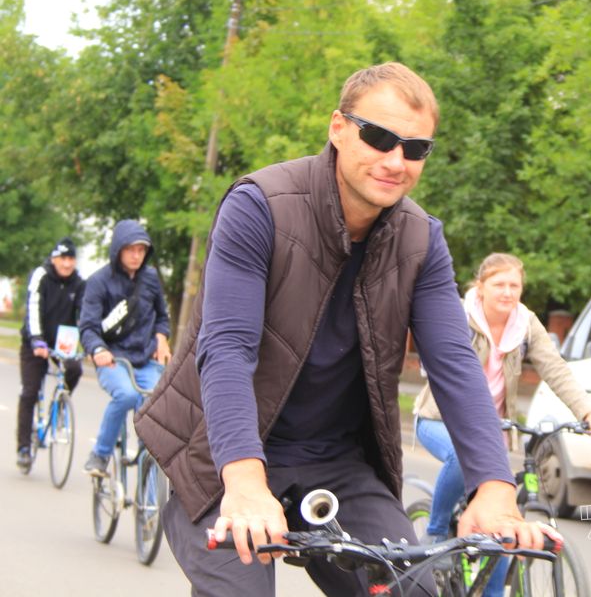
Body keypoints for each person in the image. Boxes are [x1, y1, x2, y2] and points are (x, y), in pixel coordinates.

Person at [134, 62, 557, 596]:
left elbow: (454, 363)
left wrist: (494, 488)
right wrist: (243, 483)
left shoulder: (421, 242)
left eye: (415, 149)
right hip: (224, 449)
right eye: (379, 137)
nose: (395, 161)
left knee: (413, 588)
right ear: (338, 128)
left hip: (333, 458)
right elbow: (226, 349)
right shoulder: (259, 205)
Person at [413, 252, 591, 596]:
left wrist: (587, 411)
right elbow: (436, 358)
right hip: (438, 419)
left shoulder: (525, 323)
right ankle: (436, 528)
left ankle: (491, 592)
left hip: (490, 431)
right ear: (481, 286)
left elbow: (555, 369)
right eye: (499, 284)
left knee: (504, 519)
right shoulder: (458, 314)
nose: (507, 292)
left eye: (514, 285)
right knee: (459, 457)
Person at [79, 220, 171, 476]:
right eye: (130, 249)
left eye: (141, 250)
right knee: (128, 395)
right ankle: (100, 454)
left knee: (155, 408)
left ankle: (151, 502)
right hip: (114, 361)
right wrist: (98, 349)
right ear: (118, 250)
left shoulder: (151, 278)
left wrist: (162, 338)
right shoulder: (99, 281)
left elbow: (163, 317)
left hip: (145, 360)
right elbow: (87, 327)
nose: (136, 255)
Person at [16, 237, 85, 470]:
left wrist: (88, 344)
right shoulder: (41, 276)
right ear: (54, 259)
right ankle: (24, 447)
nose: (67, 264)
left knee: (75, 369)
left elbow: (83, 316)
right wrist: (36, 339)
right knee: (29, 392)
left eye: (71, 259)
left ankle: (61, 402)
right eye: (63, 259)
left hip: (62, 344)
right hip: (35, 343)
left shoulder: (79, 283)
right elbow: (33, 308)